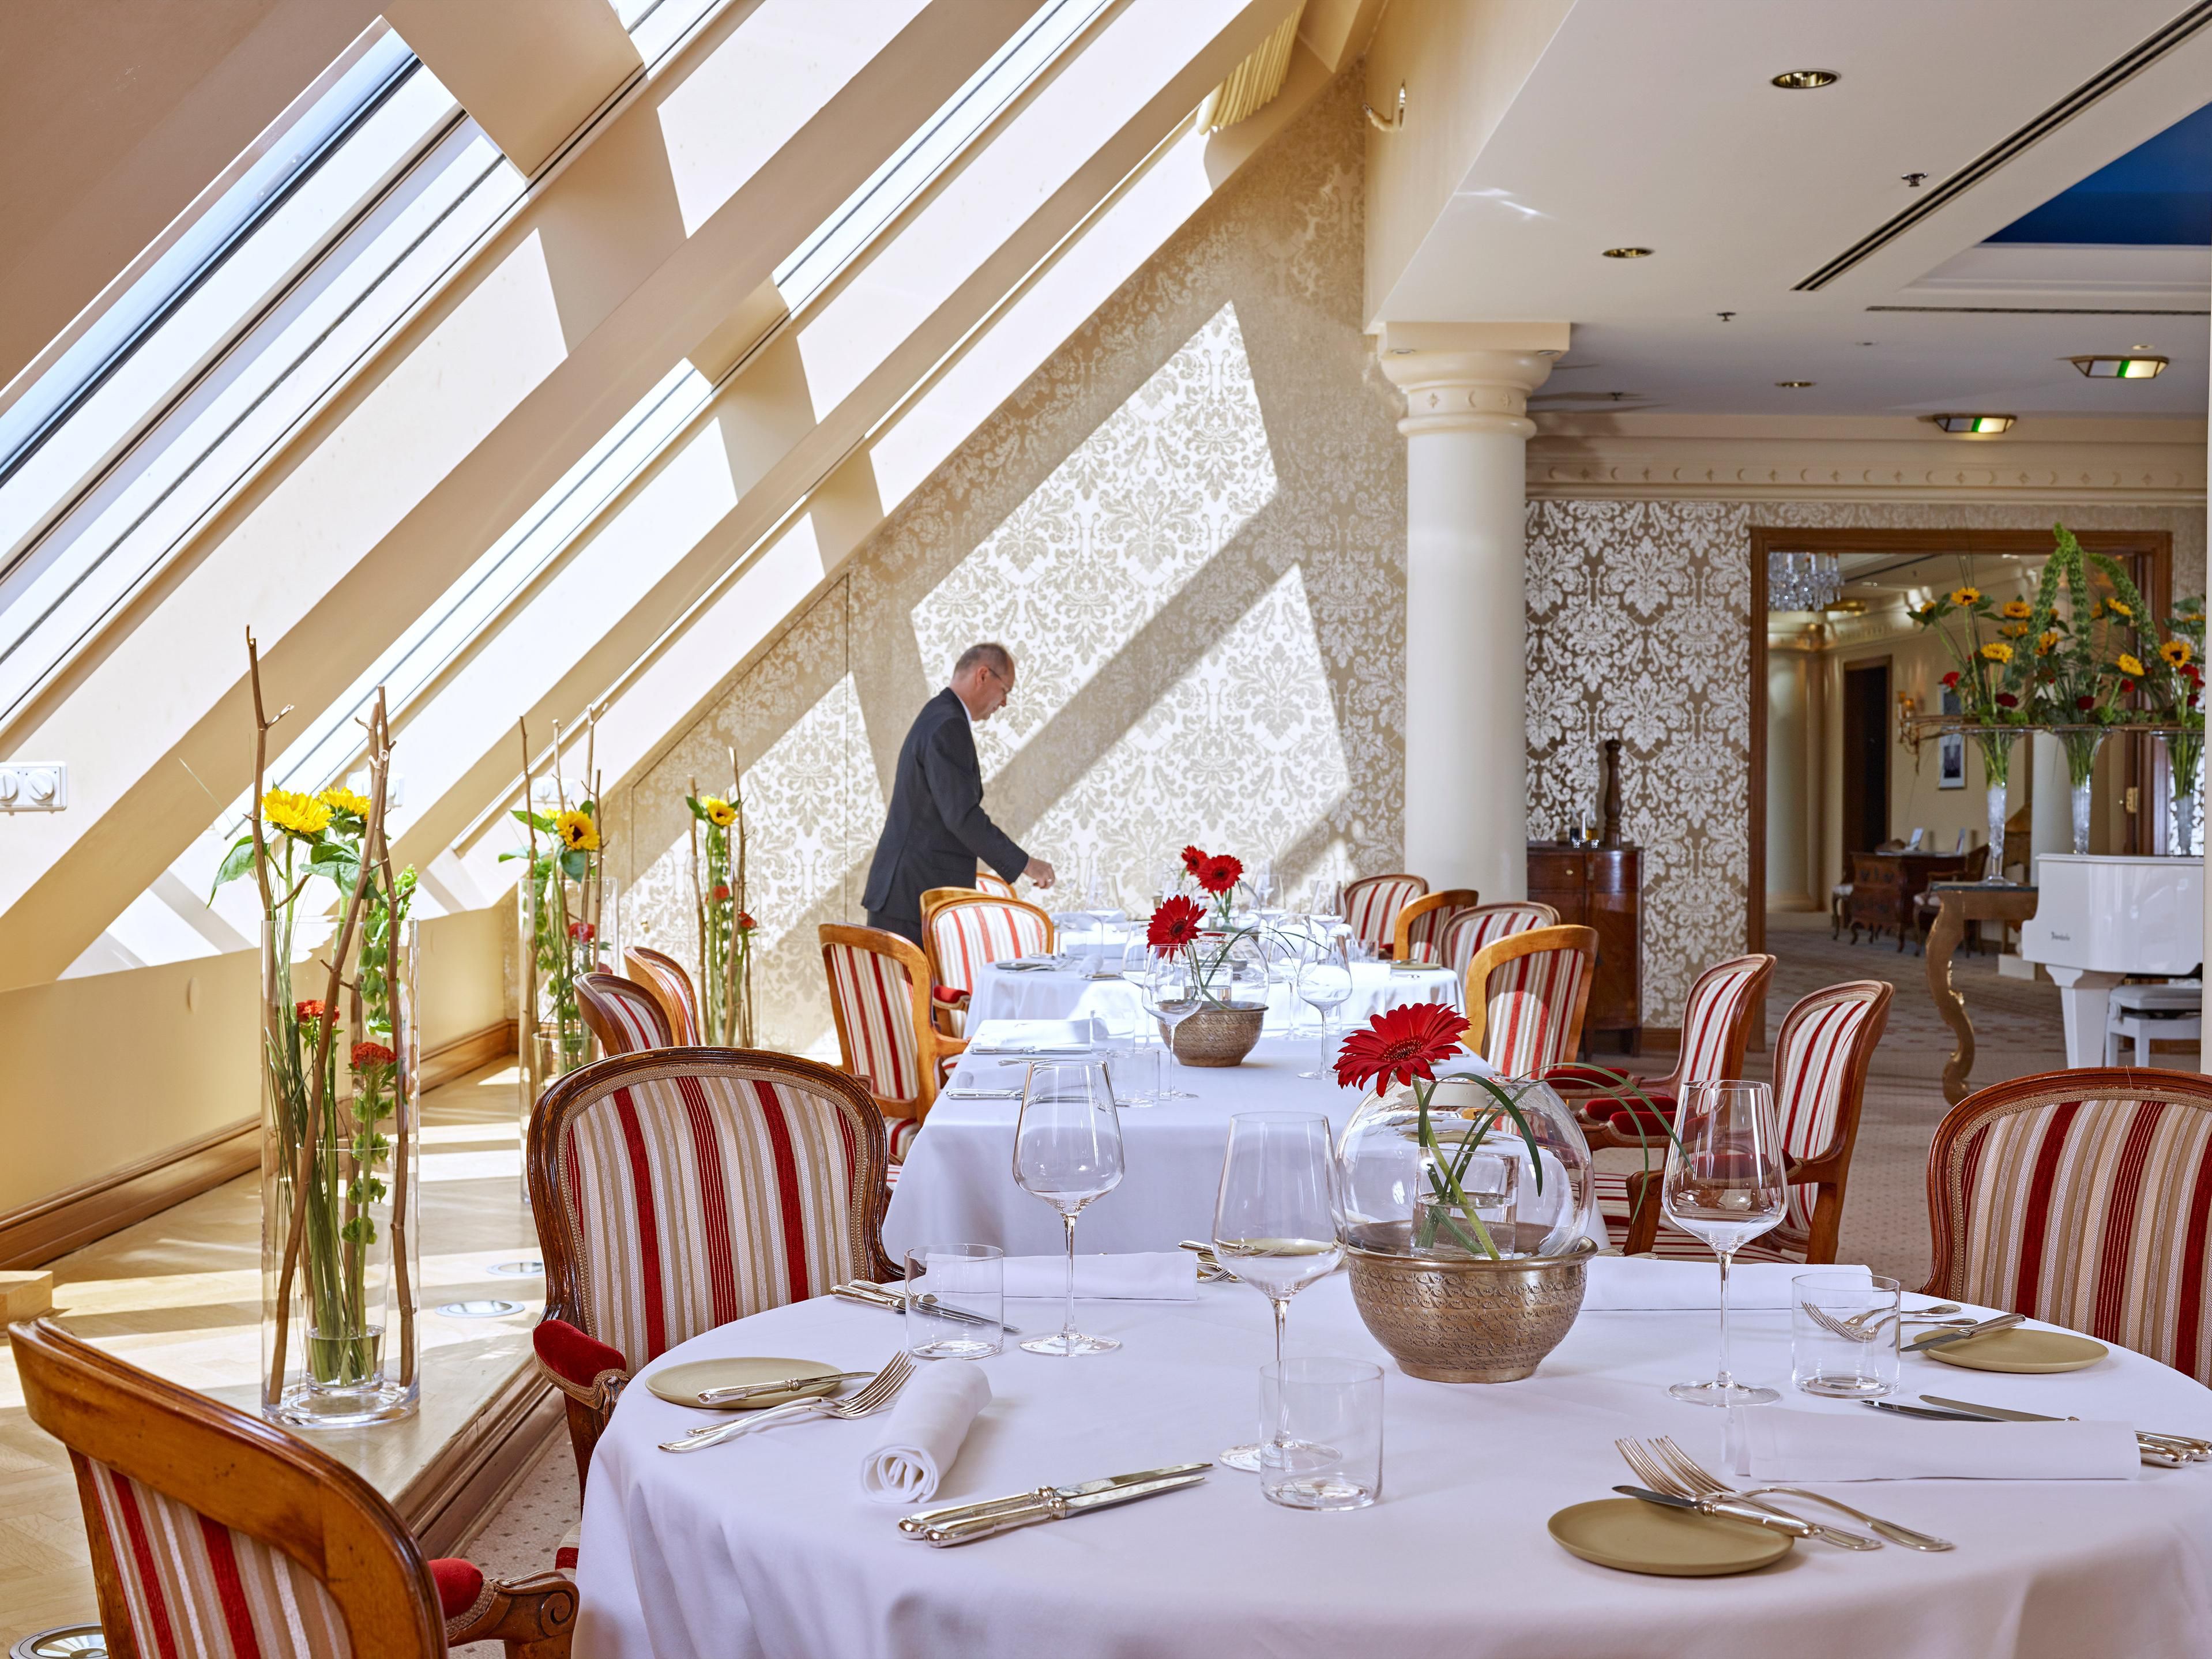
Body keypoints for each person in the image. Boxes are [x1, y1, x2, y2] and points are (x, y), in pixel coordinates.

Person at [862, 642, 1055, 945]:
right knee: (916, 994)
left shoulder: (938, 713)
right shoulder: (948, 724)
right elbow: (962, 816)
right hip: (912, 898)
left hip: (907, 894)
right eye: (1005, 690)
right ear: (983, 676)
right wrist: (1026, 864)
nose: (1004, 703)